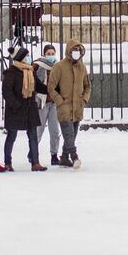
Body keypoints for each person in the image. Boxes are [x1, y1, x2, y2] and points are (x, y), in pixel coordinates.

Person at [47, 39, 90, 168]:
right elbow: (51, 87)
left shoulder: (82, 67)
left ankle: (65, 158)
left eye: (78, 50)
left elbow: (87, 86)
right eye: (74, 50)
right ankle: (74, 156)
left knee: (72, 134)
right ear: (69, 51)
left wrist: (84, 100)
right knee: (69, 135)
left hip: (77, 108)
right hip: (64, 108)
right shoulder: (59, 66)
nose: (76, 52)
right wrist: (60, 101)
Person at [2, 47, 45, 170]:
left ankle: (35, 163)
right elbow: (7, 92)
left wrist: (51, 89)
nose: (29, 58)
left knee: (33, 135)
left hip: (30, 108)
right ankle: (8, 162)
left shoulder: (30, 71)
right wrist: (16, 106)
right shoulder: (11, 73)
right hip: (16, 110)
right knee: (12, 136)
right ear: (20, 57)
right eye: (26, 56)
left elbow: (39, 87)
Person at [35, 44, 63, 165]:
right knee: (38, 130)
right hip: (42, 101)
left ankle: (54, 154)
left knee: (54, 130)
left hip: (54, 102)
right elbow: (36, 81)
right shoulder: (40, 66)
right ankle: (33, 152)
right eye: (48, 54)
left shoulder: (59, 66)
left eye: (52, 53)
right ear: (44, 54)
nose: (51, 56)